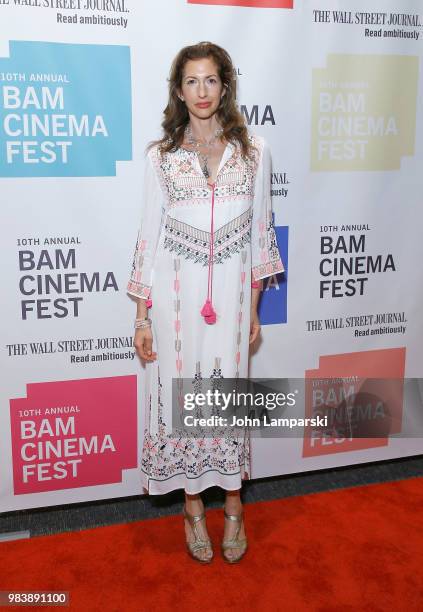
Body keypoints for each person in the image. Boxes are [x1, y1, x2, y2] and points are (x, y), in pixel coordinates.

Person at [127, 41, 284, 564]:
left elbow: (261, 237)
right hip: (174, 309)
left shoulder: (256, 152)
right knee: (181, 401)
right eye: (191, 81)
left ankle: (234, 506)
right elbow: (148, 238)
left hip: (232, 311)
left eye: (211, 80)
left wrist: (256, 310)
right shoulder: (161, 158)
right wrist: (143, 315)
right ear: (178, 90)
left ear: (225, 87)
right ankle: (193, 508)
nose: (201, 91)